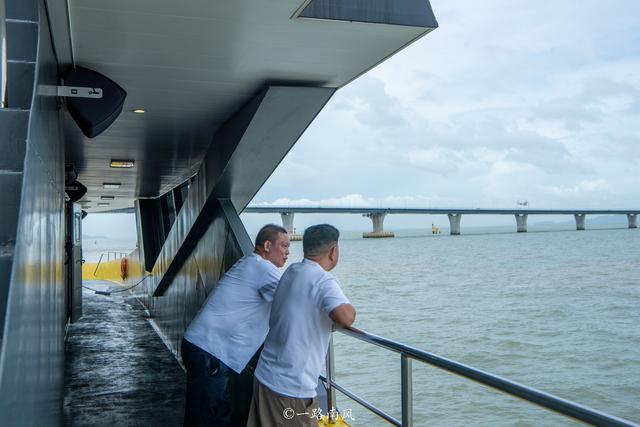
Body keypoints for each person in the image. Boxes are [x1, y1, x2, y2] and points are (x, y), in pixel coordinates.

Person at [247, 224, 356, 427]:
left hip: (265, 376)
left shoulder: (293, 271)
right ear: (333, 251)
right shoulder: (323, 280)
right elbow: (346, 317)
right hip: (290, 389)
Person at [181, 224, 290, 427]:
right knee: (206, 418)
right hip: (210, 351)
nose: (288, 252)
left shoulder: (252, 263)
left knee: (214, 413)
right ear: (267, 245)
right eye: (283, 246)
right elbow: (293, 298)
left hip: (207, 349)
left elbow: (281, 302)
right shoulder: (261, 267)